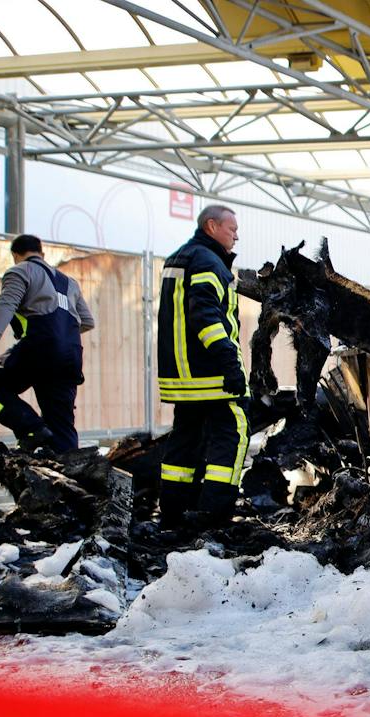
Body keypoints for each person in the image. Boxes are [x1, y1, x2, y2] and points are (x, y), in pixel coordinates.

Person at [153, 204, 247, 528]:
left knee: (185, 440)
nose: (236, 236)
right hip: (210, 373)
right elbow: (204, 316)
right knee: (233, 432)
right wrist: (229, 362)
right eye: (232, 229)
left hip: (182, 376)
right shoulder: (208, 262)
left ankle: (173, 512)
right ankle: (214, 514)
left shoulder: (179, 258)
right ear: (211, 226)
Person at [0, 234, 94, 452]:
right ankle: (72, 467)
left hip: (39, 348)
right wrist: (61, 334)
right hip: (71, 356)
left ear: (15, 255)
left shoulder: (20, 271)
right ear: (42, 254)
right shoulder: (70, 283)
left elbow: (6, 305)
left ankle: (32, 430)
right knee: (61, 425)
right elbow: (88, 321)